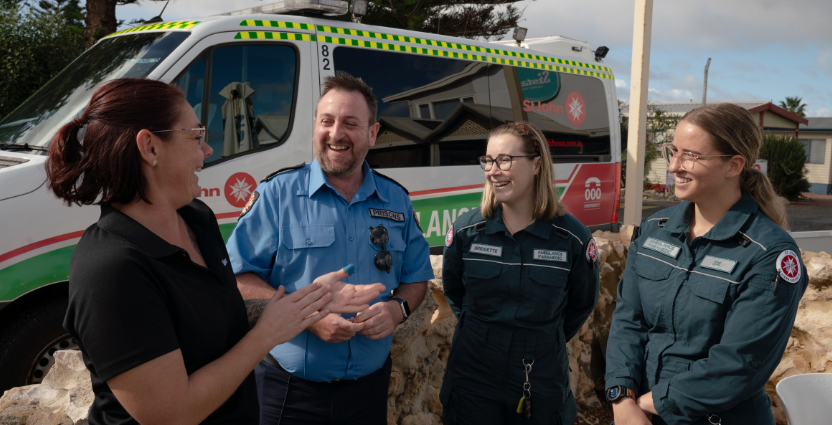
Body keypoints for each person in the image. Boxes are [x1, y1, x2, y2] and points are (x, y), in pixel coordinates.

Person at [46, 78, 384, 425]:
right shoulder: (110, 267)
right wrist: (266, 334)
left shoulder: (196, 219)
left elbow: (219, 312)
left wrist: (304, 304)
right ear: (150, 148)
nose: (207, 151)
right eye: (196, 137)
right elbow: (172, 414)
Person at [225, 71, 434, 425]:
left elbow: (416, 277)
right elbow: (237, 277)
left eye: (350, 123)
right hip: (287, 393)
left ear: (373, 133)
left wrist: (396, 310)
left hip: (368, 392)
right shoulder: (277, 195)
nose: (336, 134)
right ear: (315, 127)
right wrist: (308, 318)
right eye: (327, 121)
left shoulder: (396, 199)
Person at [605, 103, 809, 425]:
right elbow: (629, 320)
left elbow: (740, 364)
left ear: (734, 165)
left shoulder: (770, 254)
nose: (673, 166)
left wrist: (648, 402)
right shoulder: (653, 230)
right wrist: (621, 395)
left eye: (691, 156)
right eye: (672, 151)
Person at [440, 122, 600, 424]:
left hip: (539, 374)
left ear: (537, 164)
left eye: (505, 160)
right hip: (473, 371)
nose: (493, 170)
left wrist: (537, 339)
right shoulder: (465, 231)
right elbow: (454, 292)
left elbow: (582, 304)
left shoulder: (573, 239)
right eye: (488, 160)